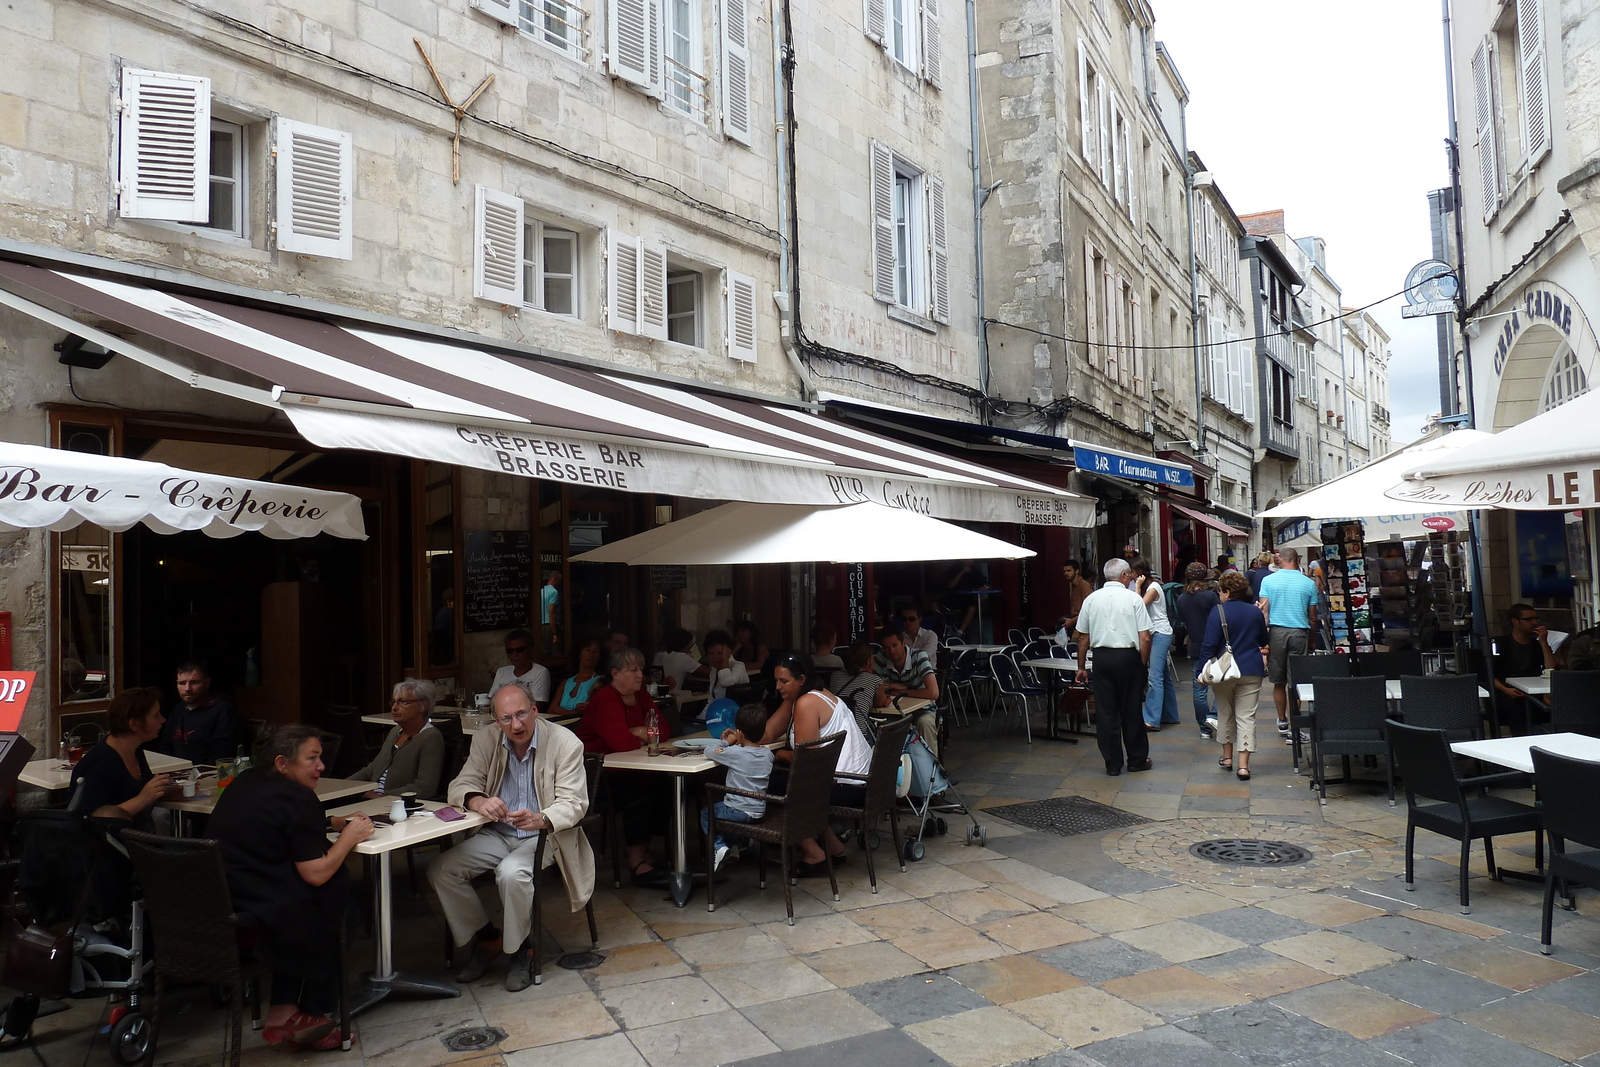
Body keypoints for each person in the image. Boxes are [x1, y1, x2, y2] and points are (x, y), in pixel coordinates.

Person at [210, 724, 373, 1051]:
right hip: (259, 913)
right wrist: (349, 838)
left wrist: (331, 824)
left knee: (316, 900)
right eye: (312, 759)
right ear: (282, 763)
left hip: (225, 899)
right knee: (339, 905)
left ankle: (283, 1009)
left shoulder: (244, 783)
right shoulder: (298, 798)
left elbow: (275, 826)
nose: (321, 767)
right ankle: (314, 1011)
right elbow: (316, 873)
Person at [431, 684, 593, 992]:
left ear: (534, 710)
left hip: (544, 835)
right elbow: (461, 783)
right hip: (498, 832)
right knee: (442, 870)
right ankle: (487, 938)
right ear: (495, 721)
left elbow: (575, 803)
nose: (516, 725)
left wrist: (541, 818)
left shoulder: (565, 743)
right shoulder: (486, 739)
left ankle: (522, 950)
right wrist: (478, 800)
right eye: (506, 718)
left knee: (511, 873)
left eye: (521, 714)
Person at [760, 654, 872, 876]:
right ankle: (832, 846)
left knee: (768, 782)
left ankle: (812, 851)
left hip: (848, 786)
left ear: (801, 679)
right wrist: (741, 736)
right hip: (863, 782)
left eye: (784, 681)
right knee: (795, 782)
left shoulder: (806, 703)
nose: (778, 686)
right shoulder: (811, 695)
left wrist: (778, 754)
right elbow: (768, 733)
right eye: (776, 680)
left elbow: (806, 764)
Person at [574, 648, 668, 884]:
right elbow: (621, 742)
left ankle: (644, 849)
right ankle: (636, 863)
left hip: (630, 767)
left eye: (640, 669)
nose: (639, 675)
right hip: (598, 775)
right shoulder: (606, 698)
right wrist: (642, 735)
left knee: (665, 784)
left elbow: (664, 731)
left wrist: (637, 732)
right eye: (633, 670)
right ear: (615, 674)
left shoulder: (642, 695)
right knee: (636, 793)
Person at [1073, 558, 1153, 776]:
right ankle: (1136, 759)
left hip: (1102, 658)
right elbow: (1145, 637)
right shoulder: (1133, 599)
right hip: (1128, 657)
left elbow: (1083, 637)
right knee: (1131, 709)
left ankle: (1112, 763)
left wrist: (1081, 667)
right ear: (1125, 576)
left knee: (1106, 712)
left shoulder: (1092, 599)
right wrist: (1142, 664)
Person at [1197, 571, 1269, 781]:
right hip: (1251, 669)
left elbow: (1208, 644)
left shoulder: (1218, 612)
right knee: (1246, 716)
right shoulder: (1255, 612)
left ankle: (1227, 757)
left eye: (1221, 590)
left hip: (1225, 670)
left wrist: (1201, 671)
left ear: (1227, 592)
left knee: (1225, 712)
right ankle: (1244, 766)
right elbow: (1263, 639)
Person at [69, 687, 174, 829]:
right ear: (134, 724)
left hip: (139, 840)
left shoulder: (135, 749)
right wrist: (143, 799)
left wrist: (165, 791)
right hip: (112, 847)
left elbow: (140, 792)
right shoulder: (100, 765)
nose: (163, 719)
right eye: (155, 715)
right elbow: (91, 820)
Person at [700, 703, 774, 872]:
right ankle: (734, 849)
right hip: (758, 811)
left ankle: (719, 847)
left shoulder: (735, 754)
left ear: (739, 732)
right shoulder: (768, 755)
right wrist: (740, 740)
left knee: (707, 812)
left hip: (738, 811)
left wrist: (727, 741)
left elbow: (709, 751)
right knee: (725, 807)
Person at [1257, 547, 1320, 742]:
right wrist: (1312, 641)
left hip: (1276, 632)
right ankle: (1295, 728)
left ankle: (1282, 720)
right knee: (1297, 681)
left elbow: (1263, 613)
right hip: (1299, 632)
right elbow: (1313, 617)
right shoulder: (1308, 584)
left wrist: (1263, 641)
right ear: (1296, 560)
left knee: (1278, 680)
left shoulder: (1268, 581)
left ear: (1280, 560)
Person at [350, 679, 446, 800]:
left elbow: (424, 788)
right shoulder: (395, 732)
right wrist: (343, 786)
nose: (394, 708)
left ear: (423, 705)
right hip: (370, 798)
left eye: (403, 702)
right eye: (394, 702)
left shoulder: (431, 737)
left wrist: (382, 796)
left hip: (395, 804)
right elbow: (371, 770)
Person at [155, 659, 240, 764]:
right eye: (182, 683)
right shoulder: (179, 709)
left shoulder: (223, 710)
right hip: (177, 772)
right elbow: (165, 746)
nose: (187, 688)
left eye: (194, 682)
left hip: (207, 774)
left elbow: (223, 753)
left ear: (207, 682)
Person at [873, 629, 941, 756]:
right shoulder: (880, 659)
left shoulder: (919, 656)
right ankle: (893, 771)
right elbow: (873, 686)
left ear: (904, 643)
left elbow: (933, 692)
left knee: (925, 723)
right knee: (883, 726)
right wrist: (892, 685)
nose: (891, 651)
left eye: (894, 645)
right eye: (887, 647)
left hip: (923, 710)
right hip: (894, 713)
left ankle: (931, 770)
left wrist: (903, 691)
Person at [1491, 604, 1557, 733]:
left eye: (1536, 619)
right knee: (1515, 708)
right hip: (1507, 691)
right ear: (1516, 622)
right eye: (1529, 619)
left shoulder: (1537, 645)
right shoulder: (1500, 644)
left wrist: (1543, 642)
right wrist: (1506, 690)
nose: (1534, 623)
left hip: (1532, 690)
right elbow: (1488, 674)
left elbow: (1551, 667)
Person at [1131, 558, 1179, 731]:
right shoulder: (1150, 587)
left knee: (1154, 676)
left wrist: (1136, 588)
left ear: (1139, 573)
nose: (1130, 575)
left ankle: (1151, 719)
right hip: (1158, 633)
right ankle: (1170, 714)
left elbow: (1138, 607)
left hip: (1159, 633)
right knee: (1164, 676)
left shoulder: (1152, 588)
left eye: (1132, 572)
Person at [1175, 562, 1221, 738]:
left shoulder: (1181, 598)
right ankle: (1213, 715)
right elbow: (1219, 618)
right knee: (1221, 683)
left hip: (1195, 646)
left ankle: (1204, 727)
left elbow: (1183, 622)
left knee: (1199, 687)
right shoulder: (1210, 597)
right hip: (1215, 645)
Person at [833, 641, 884, 740]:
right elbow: (880, 703)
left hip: (836, 736)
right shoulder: (875, 680)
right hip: (859, 736)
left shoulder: (835, 676)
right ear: (869, 661)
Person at [491, 628, 552, 710]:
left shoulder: (540, 672)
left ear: (530, 650)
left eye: (520, 650)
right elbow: (492, 702)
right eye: (510, 651)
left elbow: (536, 706)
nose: (514, 654)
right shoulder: (501, 672)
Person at [692, 629, 750, 702]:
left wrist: (725, 660)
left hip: (738, 712)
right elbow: (711, 701)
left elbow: (726, 682)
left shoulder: (738, 666)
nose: (714, 657)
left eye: (719, 653)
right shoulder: (714, 670)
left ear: (728, 651)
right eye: (710, 653)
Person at [557, 635, 604, 715]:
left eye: (595, 651)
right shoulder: (566, 683)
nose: (591, 654)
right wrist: (573, 713)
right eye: (587, 650)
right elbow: (551, 710)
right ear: (579, 653)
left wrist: (560, 711)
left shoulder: (600, 682)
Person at [652, 627, 700, 693]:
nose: (689, 649)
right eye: (688, 646)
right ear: (683, 647)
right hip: (672, 700)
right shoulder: (682, 657)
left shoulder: (658, 655)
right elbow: (707, 673)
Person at [1060, 559, 1093, 637]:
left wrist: (1072, 621)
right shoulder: (1073, 586)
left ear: (1077, 571)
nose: (1066, 573)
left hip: (1082, 626)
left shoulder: (1084, 586)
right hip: (1076, 622)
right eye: (1064, 571)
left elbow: (1089, 609)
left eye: (1069, 571)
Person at [540, 571, 562, 650]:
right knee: (553, 649)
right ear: (555, 579)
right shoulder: (554, 592)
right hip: (549, 624)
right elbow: (551, 612)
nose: (559, 583)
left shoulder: (541, 591)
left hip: (541, 624)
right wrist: (554, 632)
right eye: (559, 581)